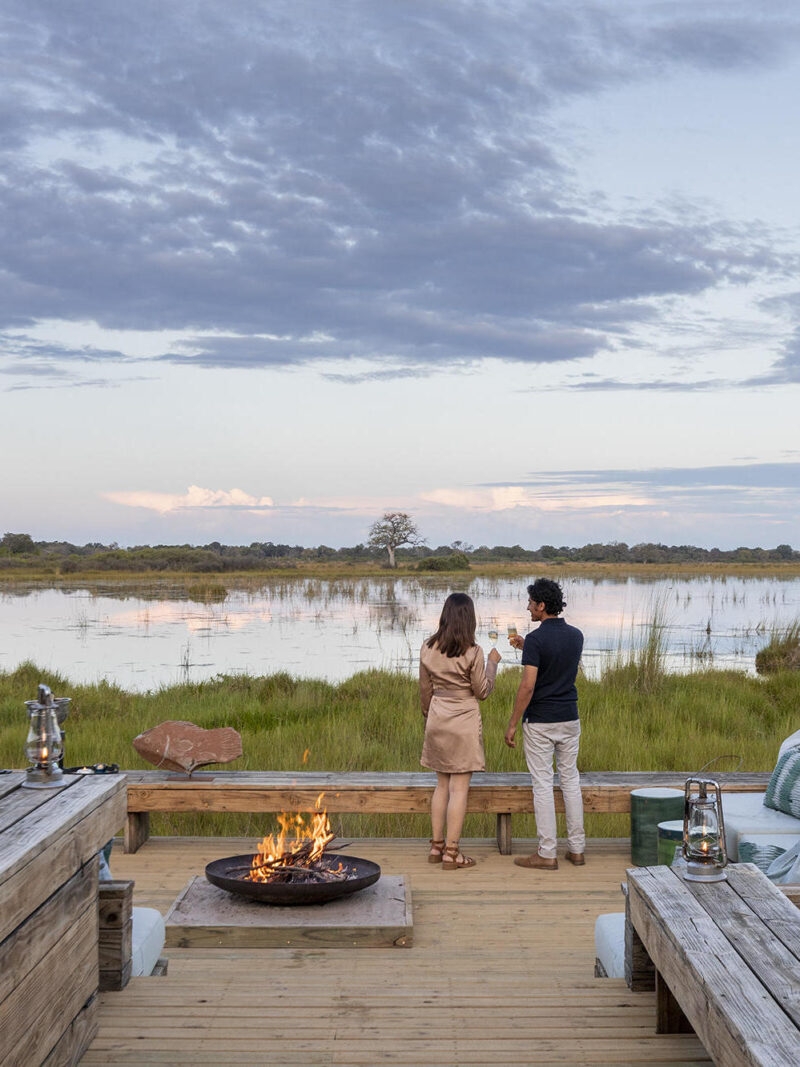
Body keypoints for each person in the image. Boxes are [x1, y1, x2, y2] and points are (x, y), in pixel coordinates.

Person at [504, 578, 585, 871]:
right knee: (570, 780)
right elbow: (559, 663)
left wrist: (512, 724)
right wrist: (528, 647)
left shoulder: (537, 639)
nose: (528, 608)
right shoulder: (576, 636)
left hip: (540, 721)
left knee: (542, 784)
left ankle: (547, 853)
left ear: (541, 605)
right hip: (569, 717)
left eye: (530, 603)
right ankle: (577, 849)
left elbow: (528, 686)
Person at [420, 592, 501, 870]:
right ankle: (452, 854)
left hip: (438, 717)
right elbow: (482, 692)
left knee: (441, 785)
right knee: (459, 788)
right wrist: (492, 664)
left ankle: (436, 846)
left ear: (445, 616)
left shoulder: (427, 647)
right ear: (469, 619)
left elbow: (424, 692)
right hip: (463, 719)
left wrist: (431, 716)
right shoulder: (473, 651)